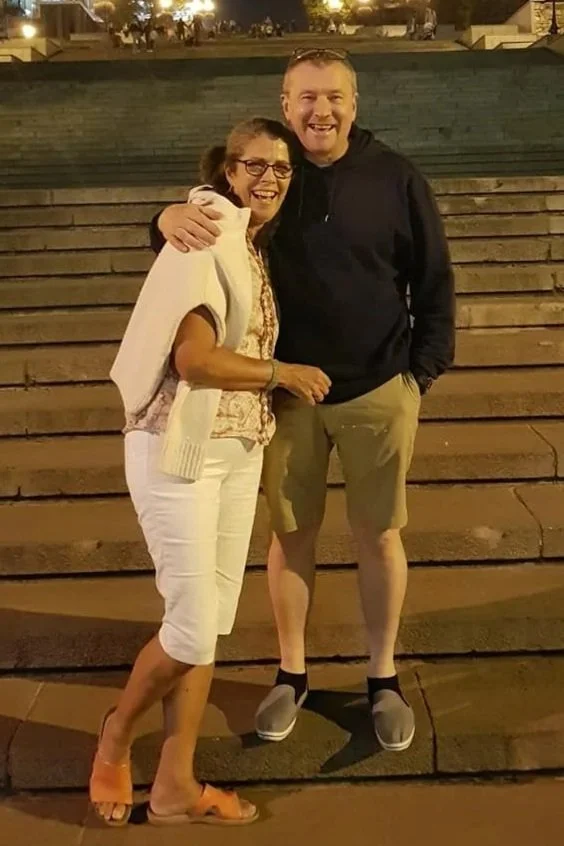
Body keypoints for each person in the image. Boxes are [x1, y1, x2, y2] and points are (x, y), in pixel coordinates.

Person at [150, 49, 455, 753]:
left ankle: (383, 677)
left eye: (335, 97)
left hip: (379, 387)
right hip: (285, 393)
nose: (322, 111)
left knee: (380, 534)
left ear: (355, 103)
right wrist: (164, 215)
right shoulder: (269, 173)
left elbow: (434, 278)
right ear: (286, 105)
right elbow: (197, 218)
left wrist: (420, 374)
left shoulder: (396, 177)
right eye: (307, 98)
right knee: (291, 537)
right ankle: (292, 672)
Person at [88, 116, 331, 828]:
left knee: (209, 624)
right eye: (254, 165)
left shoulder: (246, 242)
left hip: (236, 453)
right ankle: (117, 733)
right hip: (179, 452)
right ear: (228, 171)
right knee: (193, 628)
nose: (269, 179)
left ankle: (174, 785)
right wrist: (281, 372)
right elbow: (193, 360)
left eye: (281, 168)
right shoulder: (208, 233)